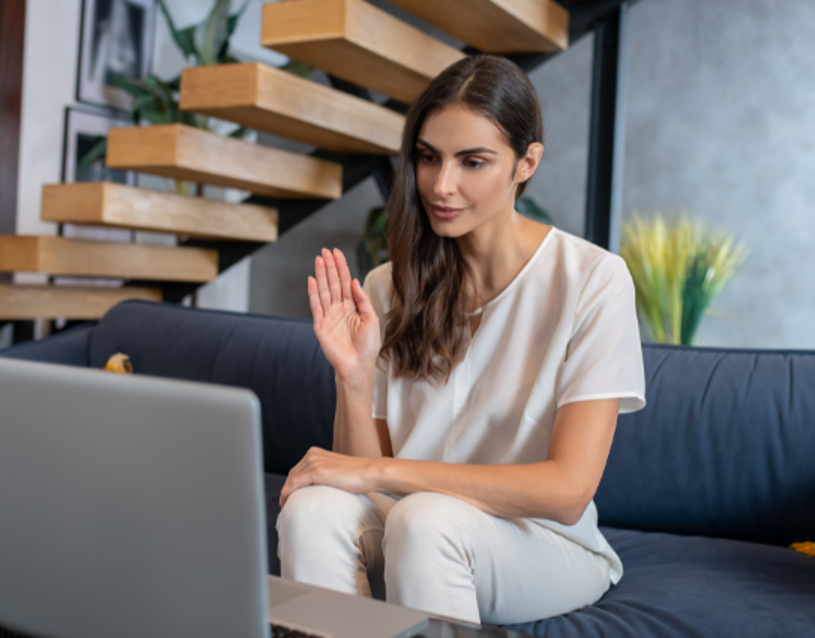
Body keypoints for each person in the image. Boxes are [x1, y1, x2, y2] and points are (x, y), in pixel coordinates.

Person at [276, 54, 647, 627]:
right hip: (408, 524)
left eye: (473, 161)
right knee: (311, 511)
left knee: (425, 522)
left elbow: (568, 490)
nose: (441, 185)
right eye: (428, 158)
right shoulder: (387, 287)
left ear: (527, 163)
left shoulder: (593, 280)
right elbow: (362, 469)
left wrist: (382, 475)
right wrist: (353, 378)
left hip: (540, 544)